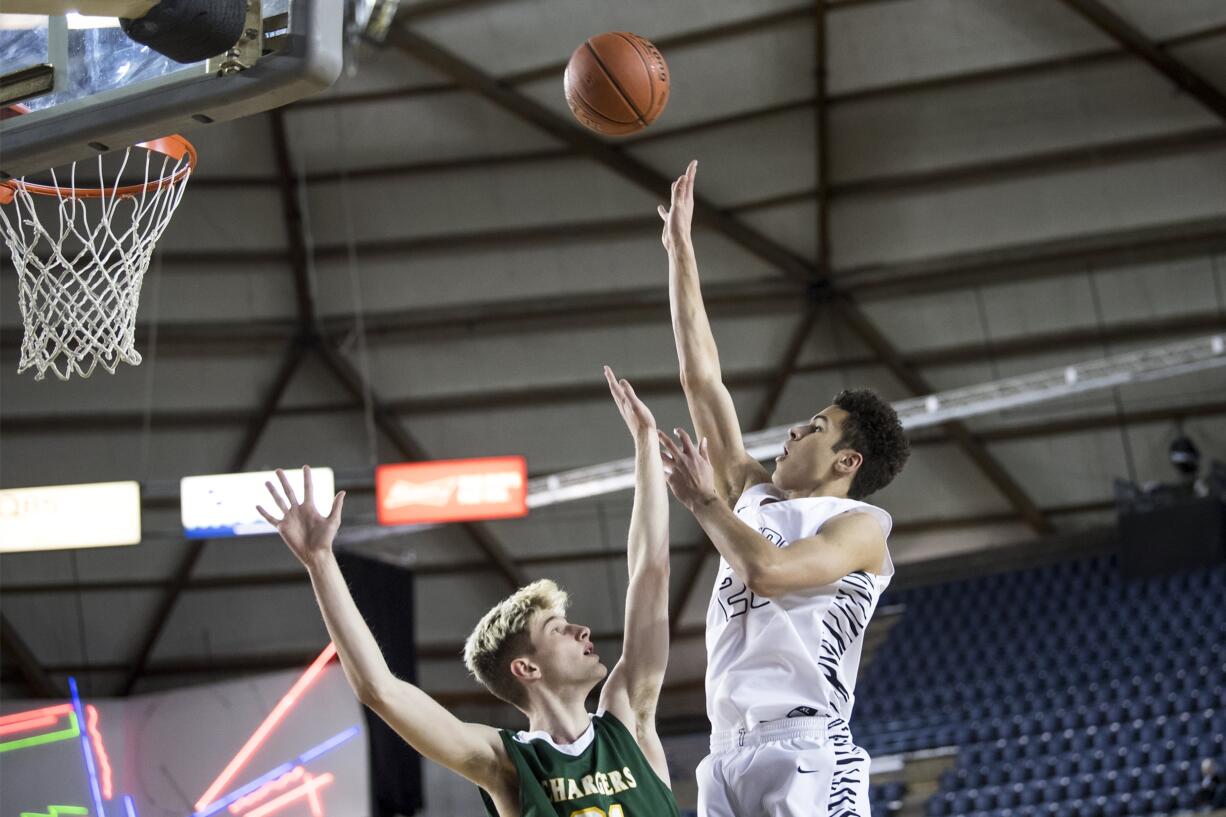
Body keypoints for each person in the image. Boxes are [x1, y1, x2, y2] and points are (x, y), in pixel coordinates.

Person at [256, 367, 680, 817]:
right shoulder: (505, 762)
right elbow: (380, 690)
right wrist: (321, 562)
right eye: (558, 628)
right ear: (526, 667)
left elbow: (651, 570)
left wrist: (645, 445)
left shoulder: (628, 716)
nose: (582, 630)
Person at [656, 160, 911, 817]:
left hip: (806, 749)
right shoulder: (752, 493)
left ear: (846, 460)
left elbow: (769, 571)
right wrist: (680, 252)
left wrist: (702, 502)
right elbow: (700, 379)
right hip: (726, 750)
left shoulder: (860, 526)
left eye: (817, 427)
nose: (796, 429)